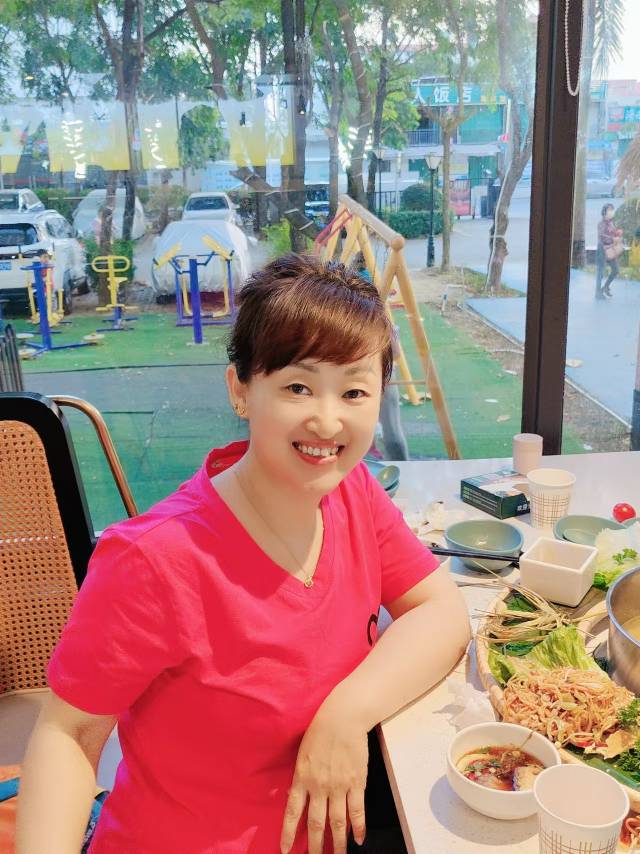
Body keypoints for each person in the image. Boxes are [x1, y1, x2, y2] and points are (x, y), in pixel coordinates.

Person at [16, 254, 471, 854]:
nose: (327, 421)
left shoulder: (352, 492)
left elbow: (440, 610)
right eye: (298, 387)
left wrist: (346, 713)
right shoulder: (154, 559)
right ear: (241, 389)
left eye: (354, 391)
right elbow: (70, 736)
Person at [596, 203, 621, 299]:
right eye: (609, 209)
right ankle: (598, 293)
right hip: (602, 250)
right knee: (600, 272)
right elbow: (601, 236)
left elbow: (613, 233)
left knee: (615, 270)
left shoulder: (611, 222)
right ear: (604, 212)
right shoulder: (601, 223)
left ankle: (605, 287)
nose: (611, 212)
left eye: (612, 209)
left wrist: (617, 234)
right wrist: (612, 239)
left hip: (611, 250)